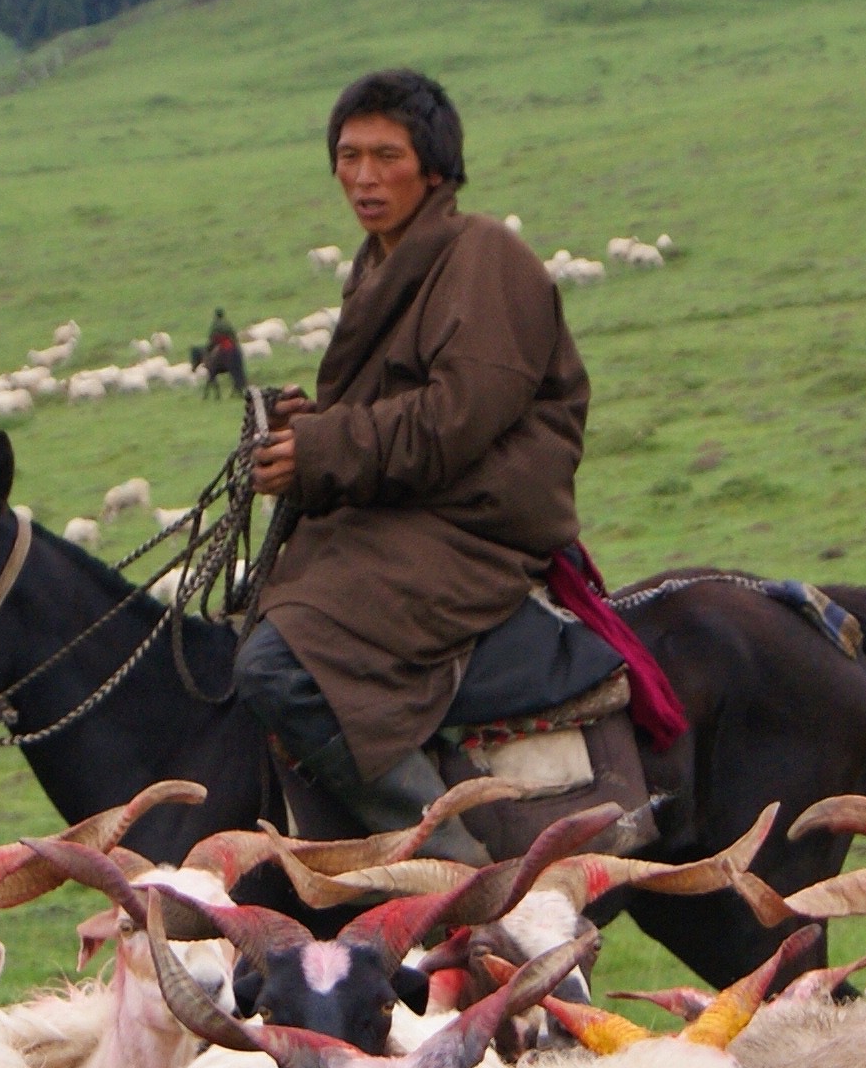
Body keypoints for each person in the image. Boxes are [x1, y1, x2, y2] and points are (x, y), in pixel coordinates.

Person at [235, 69, 626, 842]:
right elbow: (391, 414)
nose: (364, 177)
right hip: (407, 512)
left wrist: (321, 447)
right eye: (349, 156)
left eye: (387, 156)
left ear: (436, 168)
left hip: (472, 527)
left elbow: (454, 421)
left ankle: (447, 859)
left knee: (276, 666)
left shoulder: (485, 256)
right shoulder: (381, 263)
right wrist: (309, 428)